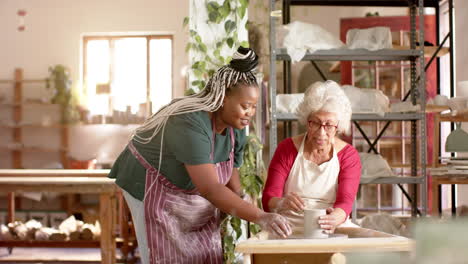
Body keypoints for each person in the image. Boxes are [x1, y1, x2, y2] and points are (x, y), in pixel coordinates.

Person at [109, 47, 291, 264]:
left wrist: (248, 204)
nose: (250, 113)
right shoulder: (189, 121)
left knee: (202, 254)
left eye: (253, 107)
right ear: (223, 98)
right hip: (149, 185)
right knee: (163, 255)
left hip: (190, 189)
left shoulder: (237, 125)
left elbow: (232, 173)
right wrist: (260, 217)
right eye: (245, 106)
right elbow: (211, 188)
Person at [262, 80, 361, 236]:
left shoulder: (348, 155)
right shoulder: (287, 148)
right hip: (289, 228)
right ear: (306, 120)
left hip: (331, 228)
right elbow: (268, 199)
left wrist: (335, 218)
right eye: (315, 123)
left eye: (329, 125)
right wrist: (281, 202)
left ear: (339, 126)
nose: (321, 132)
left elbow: (345, 201)